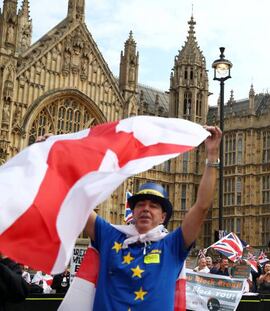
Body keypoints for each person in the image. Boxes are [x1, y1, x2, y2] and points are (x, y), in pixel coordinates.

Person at [81, 126, 221, 310]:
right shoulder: (110, 236)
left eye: (153, 205)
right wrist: (53, 159)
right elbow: (77, 202)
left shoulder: (172, 245)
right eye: (140, 204)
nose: (146, 209)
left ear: (163, 217)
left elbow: (202, 206)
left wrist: (211, 157)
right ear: (132, 211)